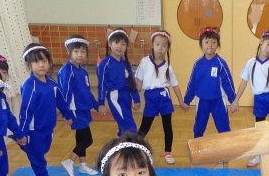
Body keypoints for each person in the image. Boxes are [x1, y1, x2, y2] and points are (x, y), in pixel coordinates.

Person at [19, 43, 74, 176]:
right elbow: (26, 111)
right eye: (36, 62)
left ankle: (25, 146)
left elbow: (61, 101)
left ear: (49, 62)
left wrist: (68, 115)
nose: (41, 65)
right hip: (34, 130)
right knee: (38, 157)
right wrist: (23, 132)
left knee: (43, 150)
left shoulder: (52, 84)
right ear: (29, 65)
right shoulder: (30, 86)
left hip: (48, 128)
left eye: (44, 61)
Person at [233, 30, 269, 168]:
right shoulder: (250, 63)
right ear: (261, 41)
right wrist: (236, 100)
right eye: (268, 44)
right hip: (259, 100)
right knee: (259, 129)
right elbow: (243, 82)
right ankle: (258, 156)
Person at [136, 30, 187, 165]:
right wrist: (134, 99)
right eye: (157, 44)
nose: (160, 48)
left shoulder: (168, 67)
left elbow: (175, 85)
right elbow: (139, 83)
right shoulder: (144, 62)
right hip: (150, 99)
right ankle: (135, 149)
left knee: (167, 126)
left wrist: (181, 102)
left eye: (164, 45)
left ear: (167, 48)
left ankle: (168, 152)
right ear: (152, 45)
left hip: (164, 99)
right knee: (145, 126)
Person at [57, 35, 100, 176]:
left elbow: (87, 91)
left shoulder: (83, 71)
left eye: (82, 51)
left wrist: (96, 105)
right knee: (88, 139)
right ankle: (69, 161)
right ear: (69, 52)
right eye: (76, 51)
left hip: (84, 109)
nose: (80, 55)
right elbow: (64, 93)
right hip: (74, 110)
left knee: (81, 137)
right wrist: (66, 113)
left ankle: (82, 165)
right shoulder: (66, 71)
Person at [183, 27, 237, 139]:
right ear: (201, 45)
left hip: (218, 101)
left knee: (223, 127)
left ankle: (227, 146)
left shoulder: (220, 63)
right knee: (198, 127)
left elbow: (228, 82)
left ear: (218, 45)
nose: (210, 45)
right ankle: (197, 146)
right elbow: (192, 83)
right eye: (206, 42)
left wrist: (233, 100)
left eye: (213, 42)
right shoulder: (198, 64)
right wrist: (187, 100)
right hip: (202, 101)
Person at [97, 29, 140, 138]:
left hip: (126, 97)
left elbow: (131, 82)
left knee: (123, 126)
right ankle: (131, 146)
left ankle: (121, 145)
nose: (119, 46)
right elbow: (101, 85)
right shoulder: (104, 64)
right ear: (109, 44)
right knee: (130, 127)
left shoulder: (126, 63)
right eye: (116, 42)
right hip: (115, 97)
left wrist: (136, 99)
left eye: (123, 44)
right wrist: (101, 103)